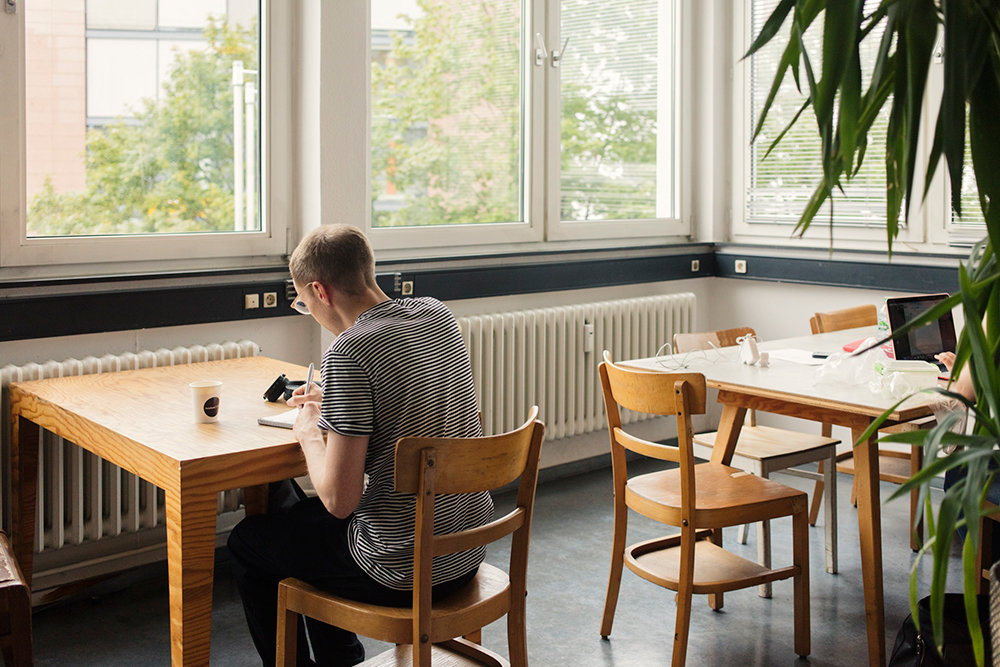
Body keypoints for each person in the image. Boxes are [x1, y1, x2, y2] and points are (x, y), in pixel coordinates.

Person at [228, 224, 493, 666]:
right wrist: (340, 404)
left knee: (248, 542)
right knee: (295, 520)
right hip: (464, 549)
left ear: (320, 290)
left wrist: (309, 429)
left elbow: (338, 501)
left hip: (402, 569)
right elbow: (408, 400)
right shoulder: (437, 314)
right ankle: (341, 659)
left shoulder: (349, 350)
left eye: (303, 302)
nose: (308, 310)